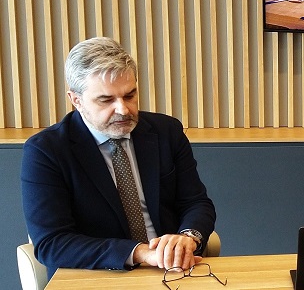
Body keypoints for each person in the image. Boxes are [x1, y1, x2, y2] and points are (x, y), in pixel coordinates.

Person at [21, 37, 216, 277]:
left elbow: (196, 202)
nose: (123, 110)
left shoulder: (167, 131)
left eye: (129, 95)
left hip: (171, 269)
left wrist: (188, 237)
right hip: (97, 274)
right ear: (76, 100)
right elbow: (52, 243)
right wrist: (140, 253)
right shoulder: (46, 151)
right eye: (106, 100)